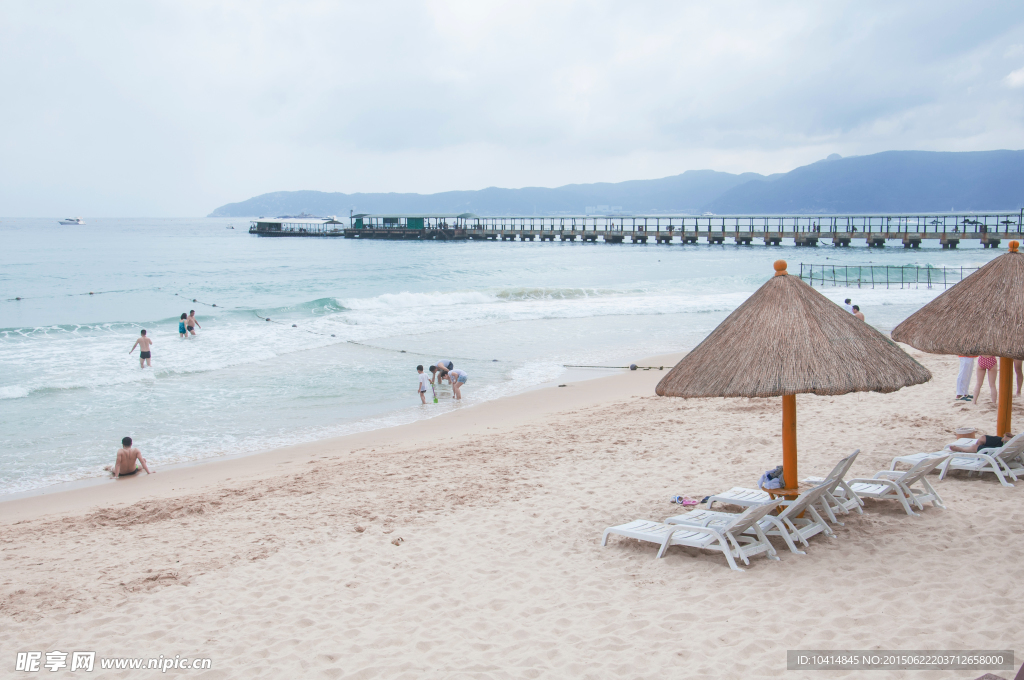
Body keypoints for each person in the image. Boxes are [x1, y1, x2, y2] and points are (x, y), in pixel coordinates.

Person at [949, 432, 1015, 453]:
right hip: (1006, 444)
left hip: (1003, 450)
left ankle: (961, 449)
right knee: (983, 438)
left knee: (974, 447)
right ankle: (976, 451)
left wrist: (1008, 439)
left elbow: (1005, 440)